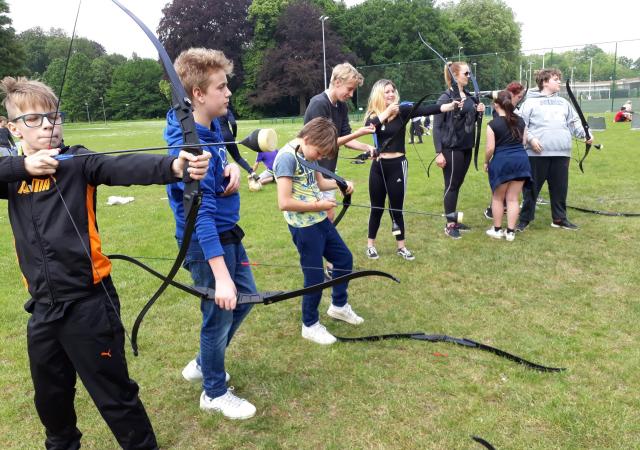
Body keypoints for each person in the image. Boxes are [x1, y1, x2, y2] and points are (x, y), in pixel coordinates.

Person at [0, 76, 210, 449]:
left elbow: (120, 166)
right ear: (13, 128)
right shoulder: (11, 176)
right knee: (51, 399)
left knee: (115, 395)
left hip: (89, 304)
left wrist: (175, 167)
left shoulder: (78, 162)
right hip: (44, 310)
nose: (48, 125)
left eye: (54, 117)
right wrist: (23, 168)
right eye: (35, 119)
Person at [165, 48, 257, 420]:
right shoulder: (189, 142)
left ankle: (206, 362)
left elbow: (222, 158)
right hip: (205, 242)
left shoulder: (213, 123)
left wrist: (232, 169)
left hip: (228, 231)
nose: (228, 92)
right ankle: (214, 392)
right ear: (198, 94)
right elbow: (199, 214)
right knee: (219, 312)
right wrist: (221, 277)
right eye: (221, 87)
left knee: (247, 298)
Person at [273, 117, 362, 345]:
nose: (320, 157)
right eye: (320, 153)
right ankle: (309, 325)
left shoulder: (307, 153)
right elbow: (284, 202)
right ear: (308, 138)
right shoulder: (286, 158)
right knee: (314, 276)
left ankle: (339, 306)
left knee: (343, 258)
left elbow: (320, 184)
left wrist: (341, 184)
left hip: (320, 219)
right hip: (304, 228)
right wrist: (318, 205)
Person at [364, 79, 459, 260]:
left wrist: (449, 106)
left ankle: (401, 247)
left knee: (396, 209)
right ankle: (370, 245)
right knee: (376, 207)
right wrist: (386, 113)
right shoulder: (373, 115)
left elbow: (427, 109)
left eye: (393, 91)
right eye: (387, 92)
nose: (391, 94)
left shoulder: (403, 111)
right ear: (379, 95)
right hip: (378, 167)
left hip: (398, 165)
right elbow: (370, 127)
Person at [516, 68, 592, 232]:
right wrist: (531, 139)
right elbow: (521, 125)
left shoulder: (564, 102)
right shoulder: (530, 102)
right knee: (531, 188)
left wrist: (586, 134)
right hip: (537, 153)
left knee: (560, 188)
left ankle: (559, 218)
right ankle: (524, 219)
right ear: (544, 82)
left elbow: (574, 122)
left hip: (561, 152)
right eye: (555, 79)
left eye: (559, 79)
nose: (559, 82)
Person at [303, 62, 376, 222]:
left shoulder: (342, 107)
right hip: (311, 171)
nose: (351, 94)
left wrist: (367, 147)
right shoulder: (319, 104)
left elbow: (346, 138)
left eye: (353, 90)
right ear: (337, 82)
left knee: (329, 214)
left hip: (328, 170)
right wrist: (358, 133)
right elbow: (323, 145)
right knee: (320, 216)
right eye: (349, 89)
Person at [432, 61, 485, 239]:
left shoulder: (469, 96)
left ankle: (453, 219)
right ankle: (449, 225)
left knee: (457, 184)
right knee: (452, 185)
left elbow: (471, 121)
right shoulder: (446, 97)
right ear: (455, 76)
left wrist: (479, 111)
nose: (469, 76)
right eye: (466, 73)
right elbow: (437, 126)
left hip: (466, 146)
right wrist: (438, 152)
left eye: (469, 73)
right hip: (451, 148)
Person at [484, 90, 531, 242]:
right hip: (521, 161)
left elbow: (490, 148)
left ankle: (497, 230)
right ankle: (510, 232)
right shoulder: (521, 121)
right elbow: (524, 142)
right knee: (513, 198)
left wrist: (486, 161)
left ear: (495, 105)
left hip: (502, 161)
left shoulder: (492, 124)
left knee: (497, 198)